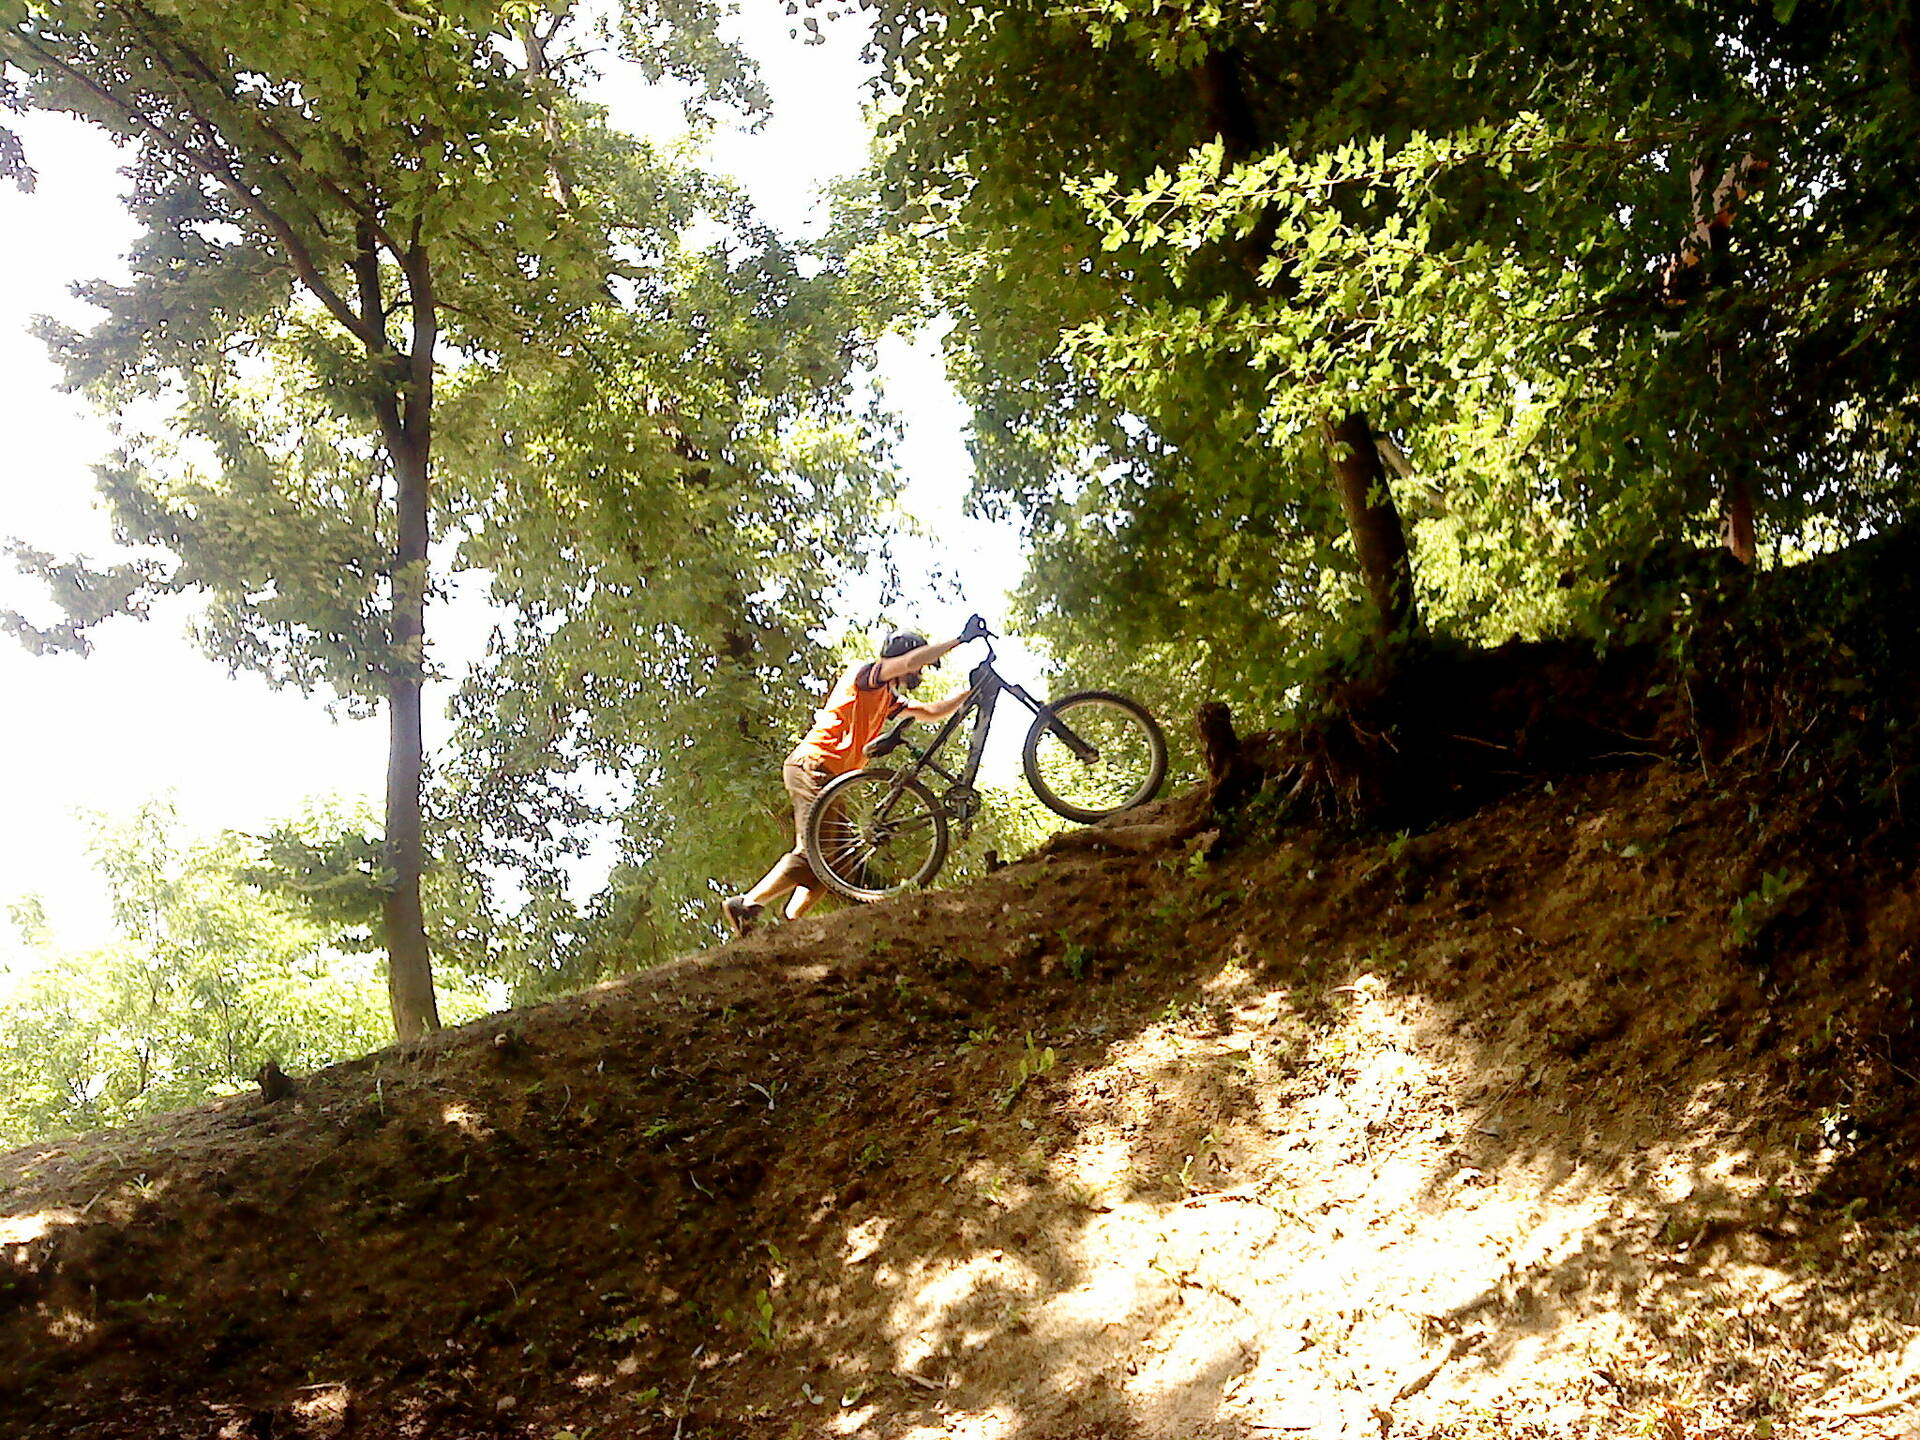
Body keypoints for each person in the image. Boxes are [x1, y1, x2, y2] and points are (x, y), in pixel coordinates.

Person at [722, 616, 990, 936]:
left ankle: (790, 922)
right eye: (918, 666)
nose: (918, 673)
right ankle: (747, 904)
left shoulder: (887, 697)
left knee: (836, 862)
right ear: (901, 656)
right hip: (814, 765)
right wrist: (960, 640)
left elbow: (932, 712)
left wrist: (972, 692)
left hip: (831, 776)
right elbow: (908, 662)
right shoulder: (867, 676)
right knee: (815, 851)